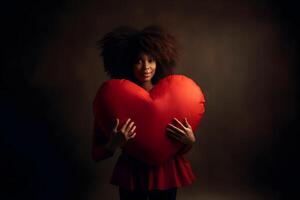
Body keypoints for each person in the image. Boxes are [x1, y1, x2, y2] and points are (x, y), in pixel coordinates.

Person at [92, 25, 196, 200]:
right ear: (127, 63)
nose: (146, 67)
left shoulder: (173, 96)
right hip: (131, 174)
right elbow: (97, 154)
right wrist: (114, 143)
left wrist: (190, 141)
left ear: (160, 61)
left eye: (151, 60)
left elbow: (177, 146)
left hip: (166, 172)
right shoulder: (113, 99)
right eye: (138, 61)